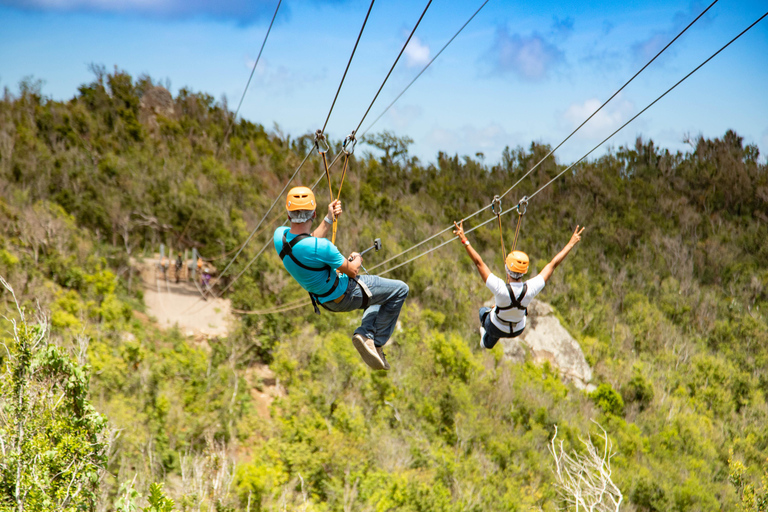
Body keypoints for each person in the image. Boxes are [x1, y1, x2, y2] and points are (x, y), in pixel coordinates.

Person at [273, 186, 409, 371]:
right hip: (346, 293)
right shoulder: (323, 247)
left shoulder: (279, 237)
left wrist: (329, 219)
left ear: (288, 216)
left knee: (379, 295)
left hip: (326, 301)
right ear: (313, 214)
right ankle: (374, 342)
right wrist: (356, 259)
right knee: (400, 289)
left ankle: (367, 335)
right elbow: (352, 270)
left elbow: (306, 240)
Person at [453, 220, 585, 349]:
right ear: (525, 271)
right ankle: (494, 326)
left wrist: (464, 239)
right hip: (518, 329)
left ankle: (486, 340)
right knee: (501, 315)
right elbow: (553, 265)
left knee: (483, 311)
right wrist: (571, 243)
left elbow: (478, 262)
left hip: (496, 327)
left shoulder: (499, 288)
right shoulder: (532, 287)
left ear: (506, 268)